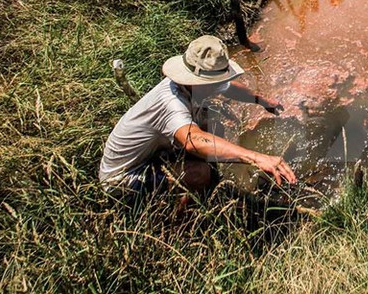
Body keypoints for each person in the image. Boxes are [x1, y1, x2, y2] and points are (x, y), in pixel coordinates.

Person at [99, 35, 297, 198]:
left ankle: (204, 188)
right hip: (123, 179)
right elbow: (192, 140)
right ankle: (182, 221)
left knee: (213, 127)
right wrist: (256, 157)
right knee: (200, 173)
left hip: (151, 155)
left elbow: (227, 88)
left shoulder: (191, 85)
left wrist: (261, 101)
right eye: (215, 82)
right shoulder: (172, 102)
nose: (219, 87)